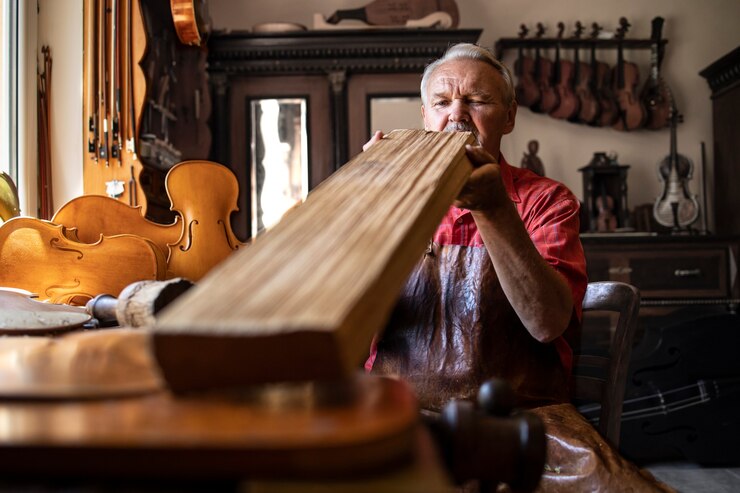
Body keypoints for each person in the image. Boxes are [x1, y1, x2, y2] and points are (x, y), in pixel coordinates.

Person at [363, 43, 673, 492]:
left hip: (527, 418)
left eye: (478, 100)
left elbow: (547, 323)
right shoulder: (390, 198)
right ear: (425, 117)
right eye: (443, 102)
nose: (458, 115)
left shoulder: (547, 201)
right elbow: (334, 324)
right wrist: (363, 197)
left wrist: (493, 209)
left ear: (509, 117)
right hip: (400, 415)